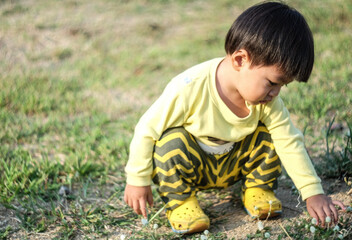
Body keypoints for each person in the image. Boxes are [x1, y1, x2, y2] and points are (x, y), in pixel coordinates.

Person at [123, 1, 346, 234]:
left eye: (282, 86)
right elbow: (146, 129)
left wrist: (313, 192)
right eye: (271, 83)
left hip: (234, 164)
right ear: (240, 60)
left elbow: (289, 141)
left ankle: (257, 188)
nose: (275, 93)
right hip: (195, 166)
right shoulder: (189, 88)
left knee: (272, 136)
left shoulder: (267, 102)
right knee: (170, 143)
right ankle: (181, 202)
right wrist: (137, 179)